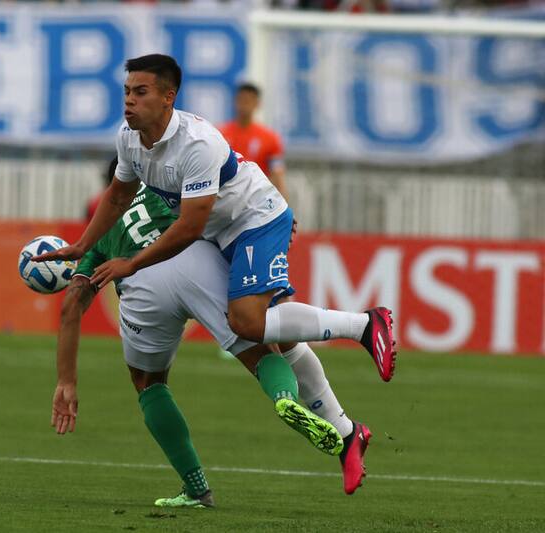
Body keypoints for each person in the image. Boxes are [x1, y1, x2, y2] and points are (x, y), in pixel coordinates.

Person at [36, 54, 395, 385]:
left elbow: (189, 227)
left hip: (251, 217)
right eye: (127, 91)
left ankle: (364, 325)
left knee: (249, 322)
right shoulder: (128, 138)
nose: (129, 99)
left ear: (168, 97)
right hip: (218, 230)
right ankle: (346, 432)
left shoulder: (197, 143)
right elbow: (116, 196)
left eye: (140, 91)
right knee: (271, 322)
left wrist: (130, 264)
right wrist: (83, 245)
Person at [50, 159, 373, 507]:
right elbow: (221, 206)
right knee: (261, 345)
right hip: (193, 258)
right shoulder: (168, 187)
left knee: (148, 382)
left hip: (142, 285)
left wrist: (66, 381)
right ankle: (284, 396)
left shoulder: (100, 223)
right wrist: (272, 217)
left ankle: (196, 487)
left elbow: (71, 307)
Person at [218, 83, 288, 201]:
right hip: (226, 197)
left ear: (257, 104)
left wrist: (284, 203)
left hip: (257, 199)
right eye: (241, 100)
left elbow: (278, 173)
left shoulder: (270, 137)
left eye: (248, 101)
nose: (244, 105)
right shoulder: (220, 133)